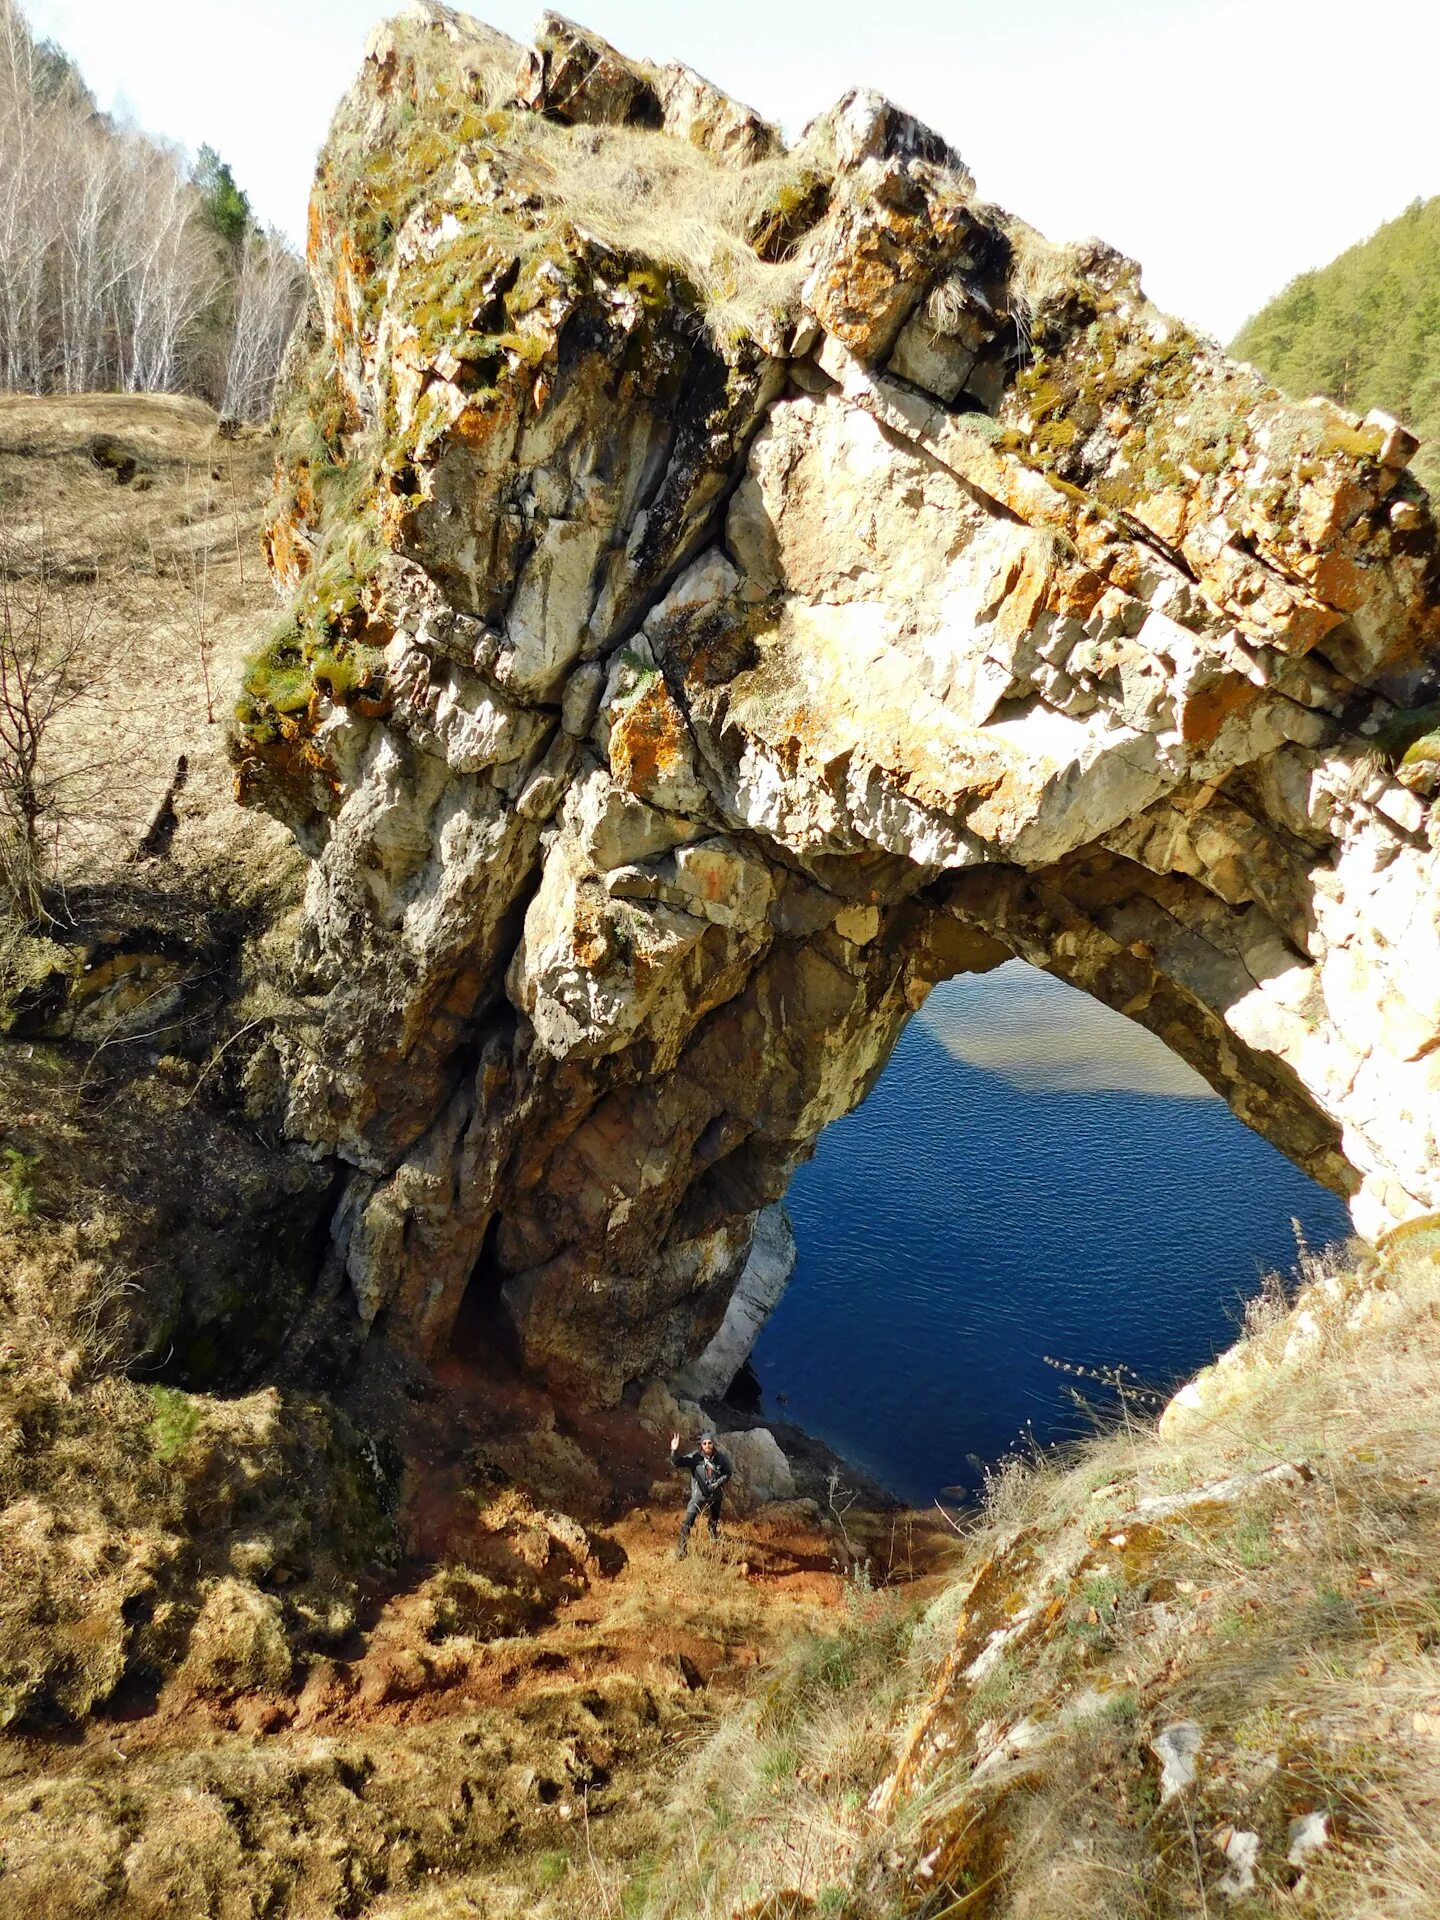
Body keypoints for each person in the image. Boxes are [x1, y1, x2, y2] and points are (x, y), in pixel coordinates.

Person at [670, 1428, 732, 1558]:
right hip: (699, 1496)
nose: (707, 1446)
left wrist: (717, 1483)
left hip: (715, 1495)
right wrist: (674, 1450)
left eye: (709, 1443)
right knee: (688, 1521)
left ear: (713, 1444)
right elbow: (677, 1462)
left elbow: (728, 1473)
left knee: (714, 1517)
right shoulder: (695, 1458)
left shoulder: (721, 1459)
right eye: (705, 1443)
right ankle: (681, 1550)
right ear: (701, 1445)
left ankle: (712, 1533)